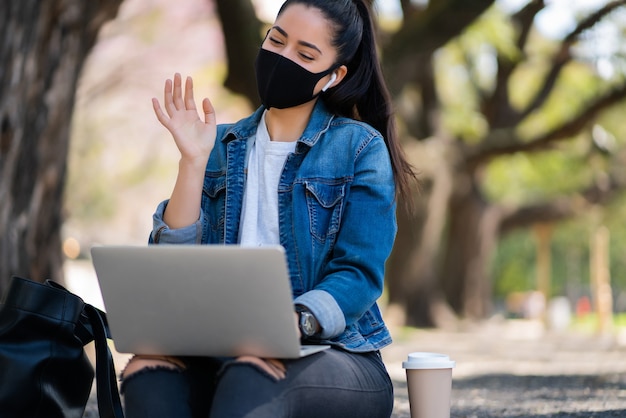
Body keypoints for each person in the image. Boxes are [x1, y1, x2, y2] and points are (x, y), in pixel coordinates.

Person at [120, 0, 417, 417]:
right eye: (276, 40)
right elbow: (174, 266)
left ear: (333, 76)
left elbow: (359, 275)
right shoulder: (217, 145)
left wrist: (289, 325)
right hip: (222, 351)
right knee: (147, 370)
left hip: (334, 355)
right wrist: (192, 162)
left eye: (305, 54)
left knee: (252, 371)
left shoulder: (359, 147)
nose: (282, 59)